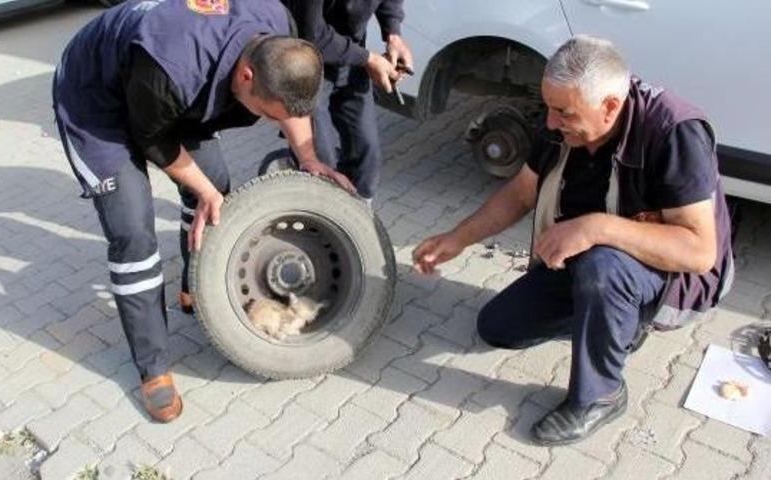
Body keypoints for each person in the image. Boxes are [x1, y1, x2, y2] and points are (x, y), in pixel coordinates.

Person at [412, 35, 734, 445]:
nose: (549, 123)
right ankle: (613, 320)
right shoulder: (561, 121)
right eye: (548, 107)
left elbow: (699, 252)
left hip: (673, 281)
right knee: (498, 328)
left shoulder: (673, 131)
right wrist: (458, 238)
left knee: (604, 267)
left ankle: (600, 395)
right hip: (589, 261)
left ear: (611, 107)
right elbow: (521, 193)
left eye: (563, 112)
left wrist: (596, 227)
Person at [52, 0, 345, 423]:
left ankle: (194, 283)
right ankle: (153, 368)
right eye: (265, 113)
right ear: (246, 76)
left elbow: (292, 105)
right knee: (133, 231)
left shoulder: (278, 25)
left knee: (216, 191)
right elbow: (152, 139)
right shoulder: (172, 63)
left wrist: (309, 157)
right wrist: (205, 191)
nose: (268, 123)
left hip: (166, 95)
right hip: (98, 106)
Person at [281, 0, 413, 202]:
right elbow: (312, 34)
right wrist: (369, 59)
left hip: (351, 58)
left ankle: (356, 217)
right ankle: (315, 213)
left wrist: (393, 33)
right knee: (320, 163)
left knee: (367, 159)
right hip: (305, 61)